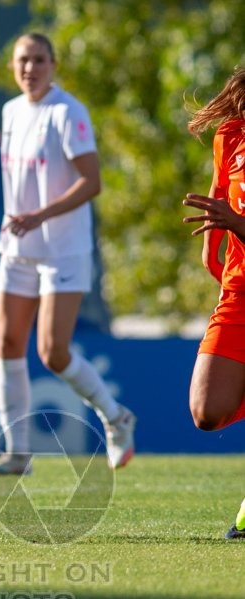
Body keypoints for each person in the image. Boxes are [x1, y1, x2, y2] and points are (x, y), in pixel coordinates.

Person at [0, 33, 136, 477]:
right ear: (12, 66)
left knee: (53, 352)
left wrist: (40, 215)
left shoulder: (68, 112)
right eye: (23, 60)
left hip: (63, 249)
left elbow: (91, 182)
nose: (30, 69)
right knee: (7, 343)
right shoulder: (11, 111)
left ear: (53, 65)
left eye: (39, 60)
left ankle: (116, 417)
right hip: (18, 245)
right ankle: (17, 455)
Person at [181, 65, 245, 539]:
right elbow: (220, 198)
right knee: (206, 412)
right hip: (240, 292)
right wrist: (212, 249)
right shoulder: (232, 134)